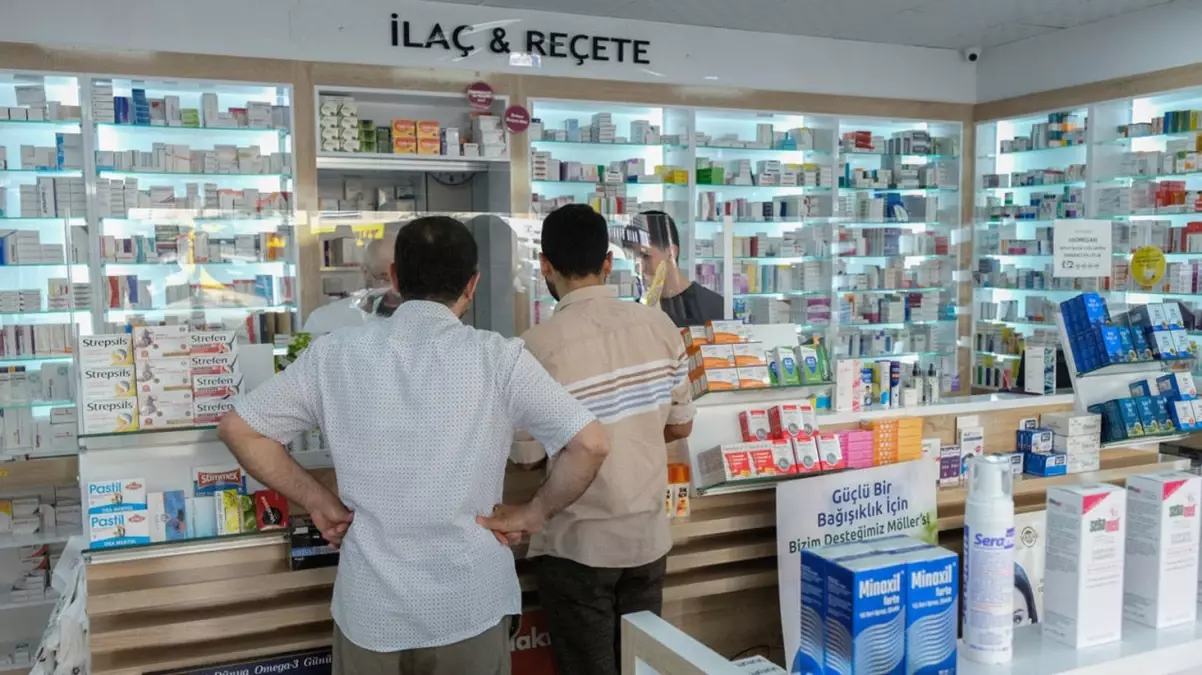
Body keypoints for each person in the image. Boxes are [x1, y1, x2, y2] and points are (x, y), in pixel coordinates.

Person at [217, 215, 610, 675]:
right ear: (473, 284)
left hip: (372, 612)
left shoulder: (336, 354)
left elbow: (240, 428)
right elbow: (590, 444)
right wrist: (533, 514)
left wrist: (318, 501)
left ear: (395, 277)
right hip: (470, 605)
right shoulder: (498, 359)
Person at [513, 204, 696, 675]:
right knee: (641, 665)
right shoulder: (660, 327)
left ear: (545, 265)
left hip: (579, 547)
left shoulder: (535, 347)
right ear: (609, 262)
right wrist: (636, 428)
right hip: (647, 539)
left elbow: (527, 456)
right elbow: (681, 424)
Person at [302, 228, 398, 335]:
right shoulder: (322, 321)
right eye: (384, 278)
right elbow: (301, 346)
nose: (395, 288)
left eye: (402, 279)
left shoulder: (412, 322)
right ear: (365, 272)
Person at [639, 210, 725, 328]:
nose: (639, 266)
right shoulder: (637, 310)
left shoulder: (713, 307)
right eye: (634, 258)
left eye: (645, 256)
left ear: (671, 253)